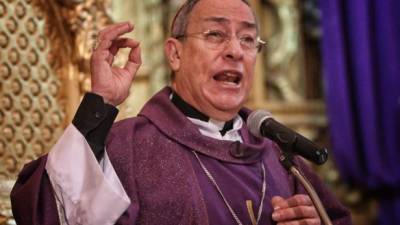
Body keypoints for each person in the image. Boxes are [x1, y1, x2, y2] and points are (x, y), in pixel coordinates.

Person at [11, 0, 351, 224]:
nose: (235, 50)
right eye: (216, 34)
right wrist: (100, 100)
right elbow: (44, 211)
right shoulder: (126, 146)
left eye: (248, 40)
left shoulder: (279, 154)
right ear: (175, 54)